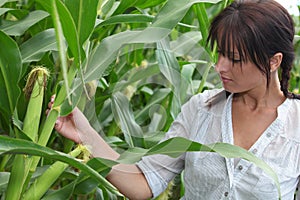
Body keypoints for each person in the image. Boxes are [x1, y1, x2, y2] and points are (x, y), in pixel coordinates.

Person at [48, 0, 300, 199]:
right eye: (220, 53)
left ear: (273, 61)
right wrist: (85, 134)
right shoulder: (200, 109)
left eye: (234, 58)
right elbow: (143, 183)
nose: (219, 66)